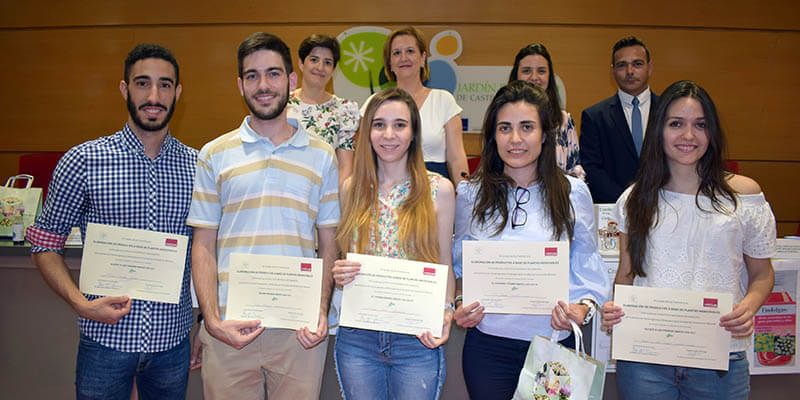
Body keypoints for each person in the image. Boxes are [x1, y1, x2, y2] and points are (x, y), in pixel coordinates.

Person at [27, 44, 197, 399]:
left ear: (178, 92)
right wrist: (79, 302)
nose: (154, 96)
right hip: (104, 342)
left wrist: (206, 323)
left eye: (165, 85)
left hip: (172, 344)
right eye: (142, 83)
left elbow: (206, 253)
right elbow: (45, 242)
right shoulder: (83, 161)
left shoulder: (199, 167)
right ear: (124, 89)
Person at [600, 80, 776, 400]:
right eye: (676, 124)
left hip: (720, 356)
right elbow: (626, 273)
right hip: (646, 361)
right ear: (659, 130)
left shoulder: (744, 196)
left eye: (700, 125)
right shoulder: (634, 198)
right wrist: (615, 307)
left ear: (712, 132)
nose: (688, 136)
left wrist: (748, 307)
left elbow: (762, 273)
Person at [188, 32, 338, 400]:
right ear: (240, 85)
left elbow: (329, 245)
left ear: (291, 80)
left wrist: (320, 310)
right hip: (230, 329)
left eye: (273, 73)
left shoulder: (322, 155)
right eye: (252, 76)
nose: (264, 85)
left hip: (298, 332)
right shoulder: (214, 154)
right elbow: (203, 244)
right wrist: (211, 320)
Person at [452, 80, 608, 399]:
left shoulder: (573, 192)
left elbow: (587, 264)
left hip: (553, 345)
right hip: (488, 350)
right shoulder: (470, 194)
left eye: (527, 127)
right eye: (504, 128)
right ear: (493, 136)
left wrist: (582, 308)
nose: (515, 139)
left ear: (545, 134)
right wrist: (459, 303)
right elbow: (460, 264)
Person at [331, 87, 456, 399]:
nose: (389, 135)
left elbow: (445, 262)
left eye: (400, 125)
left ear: (413, 133)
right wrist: (340, 272)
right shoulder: (351, 189)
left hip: (416, 337)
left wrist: (446, 311)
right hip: (359, 337)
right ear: (367, 132)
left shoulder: (439, 190)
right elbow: (345, 256)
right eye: (379, 124)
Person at [363, 26, 468, 184]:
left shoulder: (444, 100)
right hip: (385, 189)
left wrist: (464, 193)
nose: (403, 58)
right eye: (396, 53)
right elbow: (364, 155)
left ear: (423, 58)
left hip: (435, 190)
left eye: (410, 51)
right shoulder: (374, 103)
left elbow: (456, 157)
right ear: (389, 63)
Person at [579, 36, 659, 203]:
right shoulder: (594, 116)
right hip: (614, 207)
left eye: (637, 64)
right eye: (622, 65)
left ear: (650, 67)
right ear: (613, 71)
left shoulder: (668, 111)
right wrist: (626, 201)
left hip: (664, 205)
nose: (630, 71)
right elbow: (592, 168)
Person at [288, 34, 360, 186]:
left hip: (326, 193)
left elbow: (345, 168)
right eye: (314, 60)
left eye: (327, 62)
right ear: (301, 63)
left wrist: (335, 199)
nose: (320, 67)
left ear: (333, 70)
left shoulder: (345, 110)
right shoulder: (282, 104)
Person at [509, 43, 584, 179]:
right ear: (516, 75)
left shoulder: (563, 120)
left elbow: (575, 170)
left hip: (557, 192)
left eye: (541, 71)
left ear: (550, 77)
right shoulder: (503, 117)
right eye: (526, 71)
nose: (534, 77)